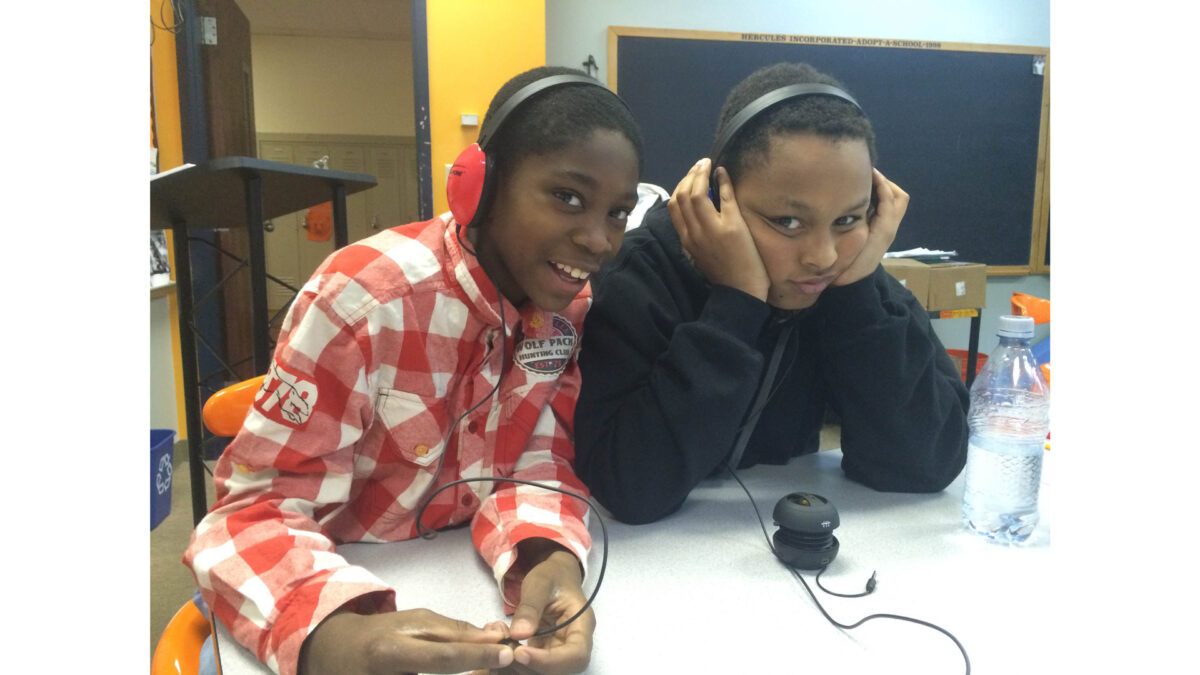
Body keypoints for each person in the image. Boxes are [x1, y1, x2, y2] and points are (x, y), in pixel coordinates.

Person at [183, 65, 644, 675]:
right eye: (568, 197)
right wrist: (330, 634)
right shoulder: (361, 303)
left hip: (456, 577)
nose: (598, 240)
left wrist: (547, 559)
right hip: (309, 582)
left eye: (618, 213)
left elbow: (536, 462)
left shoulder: (566, 310)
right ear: (478, 185)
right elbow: (249, 515)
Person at [573, 62, 969, 525]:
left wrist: (857, 299)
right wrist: (735, 307)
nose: (821, 257)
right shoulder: (640, 277)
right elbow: (628, 489)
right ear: (722, 203)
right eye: (788, 222)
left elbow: (927, 465)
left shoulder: (849, 285)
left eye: (847, 219)